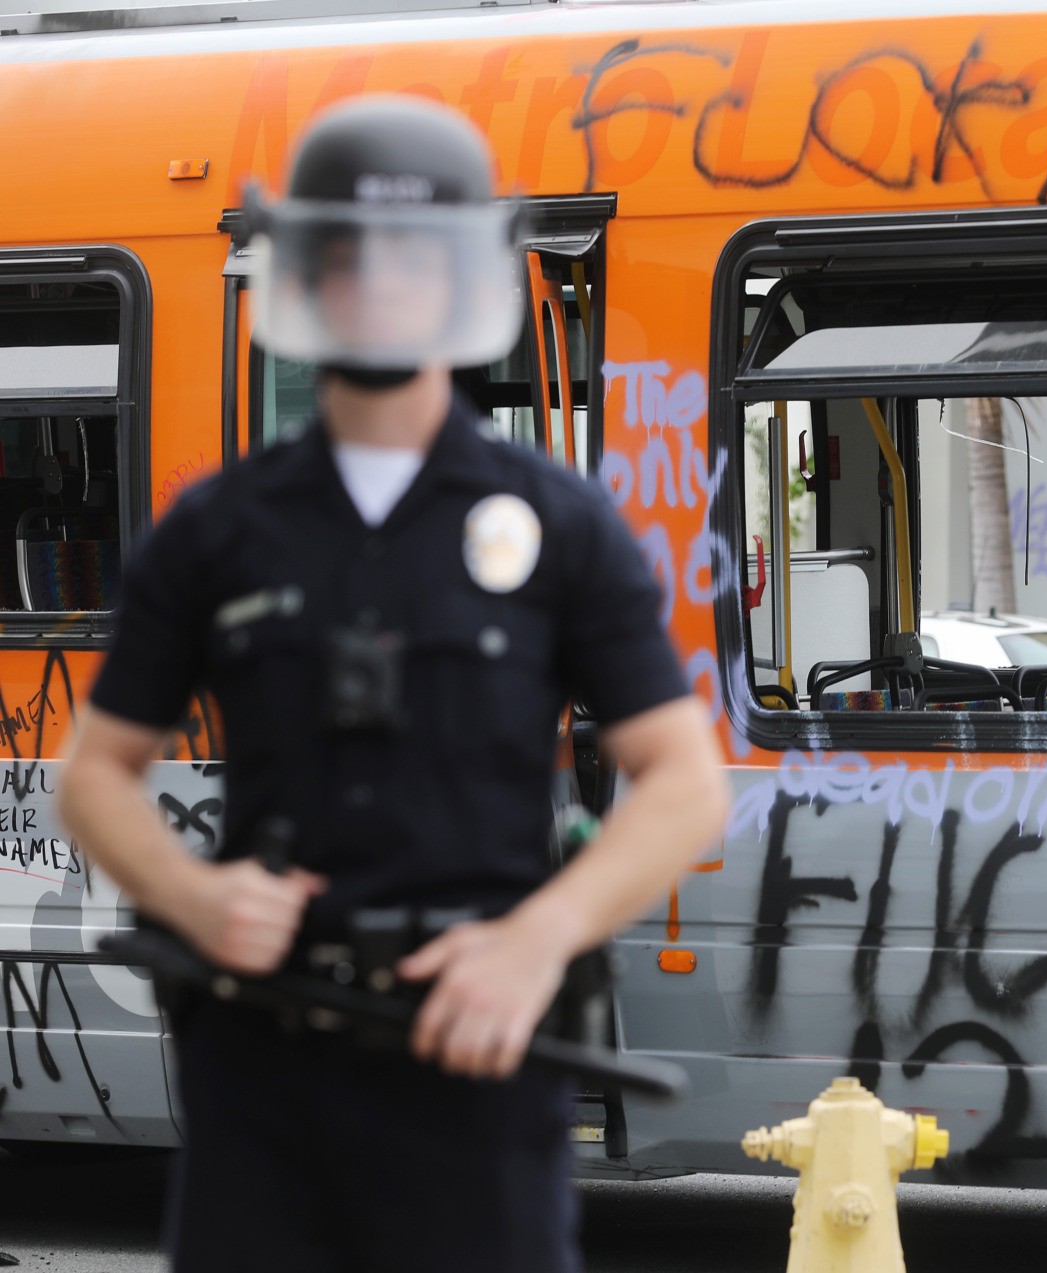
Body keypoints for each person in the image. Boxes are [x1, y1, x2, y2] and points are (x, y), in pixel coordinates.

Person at [58, 95, 728, 1272]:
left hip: (477, 1062)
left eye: (416, 257)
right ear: (307, 273)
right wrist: (191, 896)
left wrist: (538, 939)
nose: (382, 285)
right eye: (351, 254)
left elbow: (683, 782)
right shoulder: (216, 530)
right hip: (261, 1065)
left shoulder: (561, 523)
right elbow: (95, 775)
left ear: (466, 277)